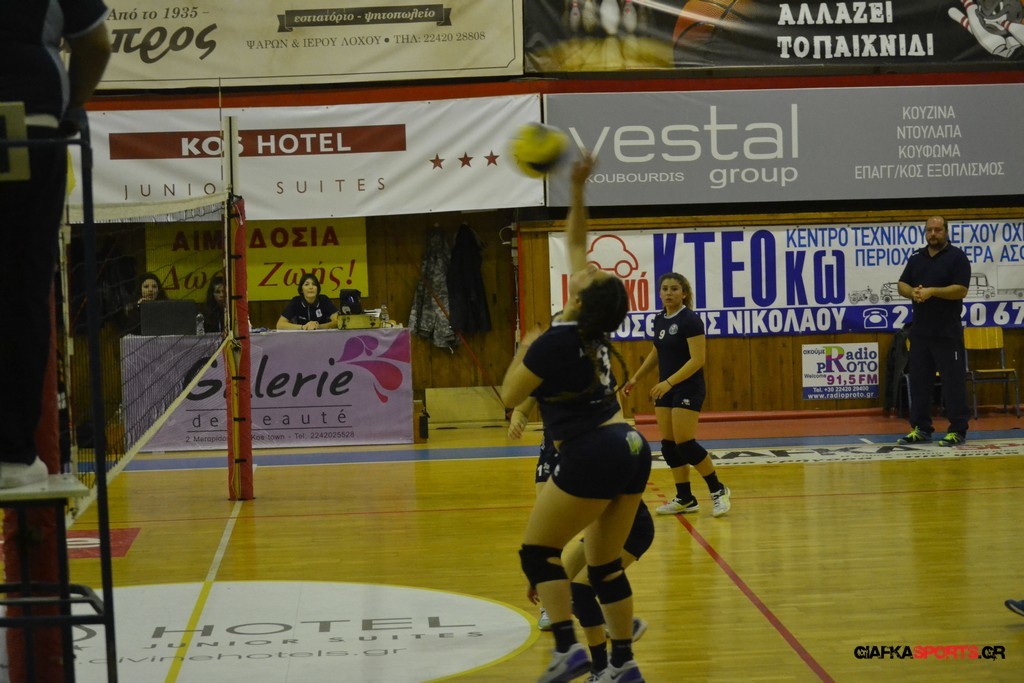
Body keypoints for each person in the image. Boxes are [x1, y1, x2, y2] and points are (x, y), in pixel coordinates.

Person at [501, 152, 651, 683]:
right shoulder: (592, 333)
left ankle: (567, 650)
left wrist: (527, 345)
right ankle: (623, 664)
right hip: (631, 446)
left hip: (592, 451)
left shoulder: (557, 340)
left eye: (592, 274)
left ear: (582, 299)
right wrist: (579, 190)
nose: (585, 266)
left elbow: (509, 394)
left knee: (537, 552)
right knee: (604, 566)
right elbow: (576, 242)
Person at [0, 0, 111, 488]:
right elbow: (96, 44)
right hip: (28, 130)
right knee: (23, 291)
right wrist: (72, 107)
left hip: (29, 130)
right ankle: (12, 457)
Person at [509, 398, 652, 682]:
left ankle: (606, 655)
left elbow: (547, 535)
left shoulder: (587, 443)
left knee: (582, 588)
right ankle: (608, 660)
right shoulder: (557, 450)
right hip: (606, 524)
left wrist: (541, 568)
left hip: (632, 529)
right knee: (576, 588)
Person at [623, 273, 731, 518]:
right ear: (660, 293)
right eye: (665, 289)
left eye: (674, 289)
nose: (669, 293)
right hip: (666, 388)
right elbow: (656, 351)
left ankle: (718, 489)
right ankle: (685, 498)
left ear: (684, 293)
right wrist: (636, 378)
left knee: (685, 443)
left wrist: (669, 382)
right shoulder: (660, 319)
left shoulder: (690, 320)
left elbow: (698, 360)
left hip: (687, 387)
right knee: (669, 445)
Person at [895, 216, 971, 447]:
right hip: (920, 333)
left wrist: (933, 291)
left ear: (946, 232)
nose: (933, 234)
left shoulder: (957, 257)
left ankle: (957, 430)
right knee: (919, 383)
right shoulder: (916, 257)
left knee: (953, 383)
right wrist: (913, 293)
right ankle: (921, 428)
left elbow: (961, 290)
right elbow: (901, 284)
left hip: (947, 333)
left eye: (938, 230)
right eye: (929, 230)